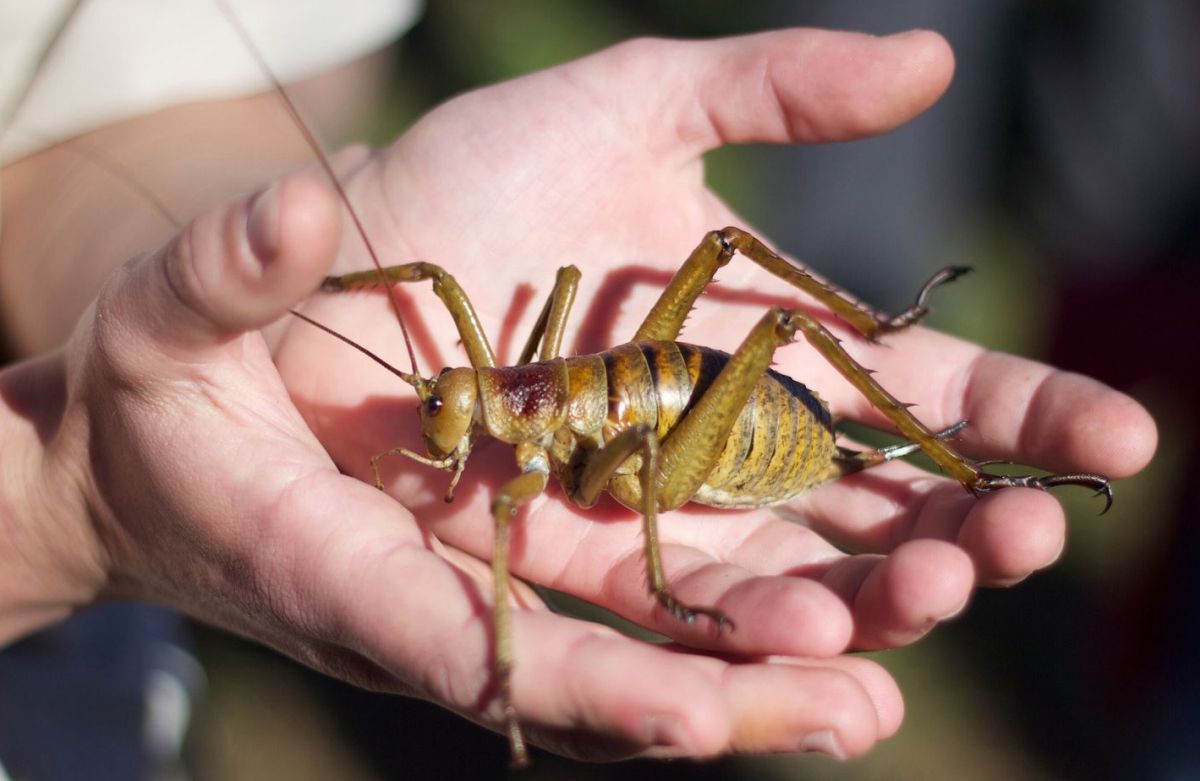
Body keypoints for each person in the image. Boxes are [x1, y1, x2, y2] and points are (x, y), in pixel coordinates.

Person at [0, 2, 1157, 773]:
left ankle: (905, 377)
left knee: (728, 333)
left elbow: (602, 455)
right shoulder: (494, 396)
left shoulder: (524, 456)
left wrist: (285, 235)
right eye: (449, 399)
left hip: (706, 430)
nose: (446, 413)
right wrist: (294, 284)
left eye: (454, 399)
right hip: (643, 403)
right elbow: (440, 289)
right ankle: (929, 432)